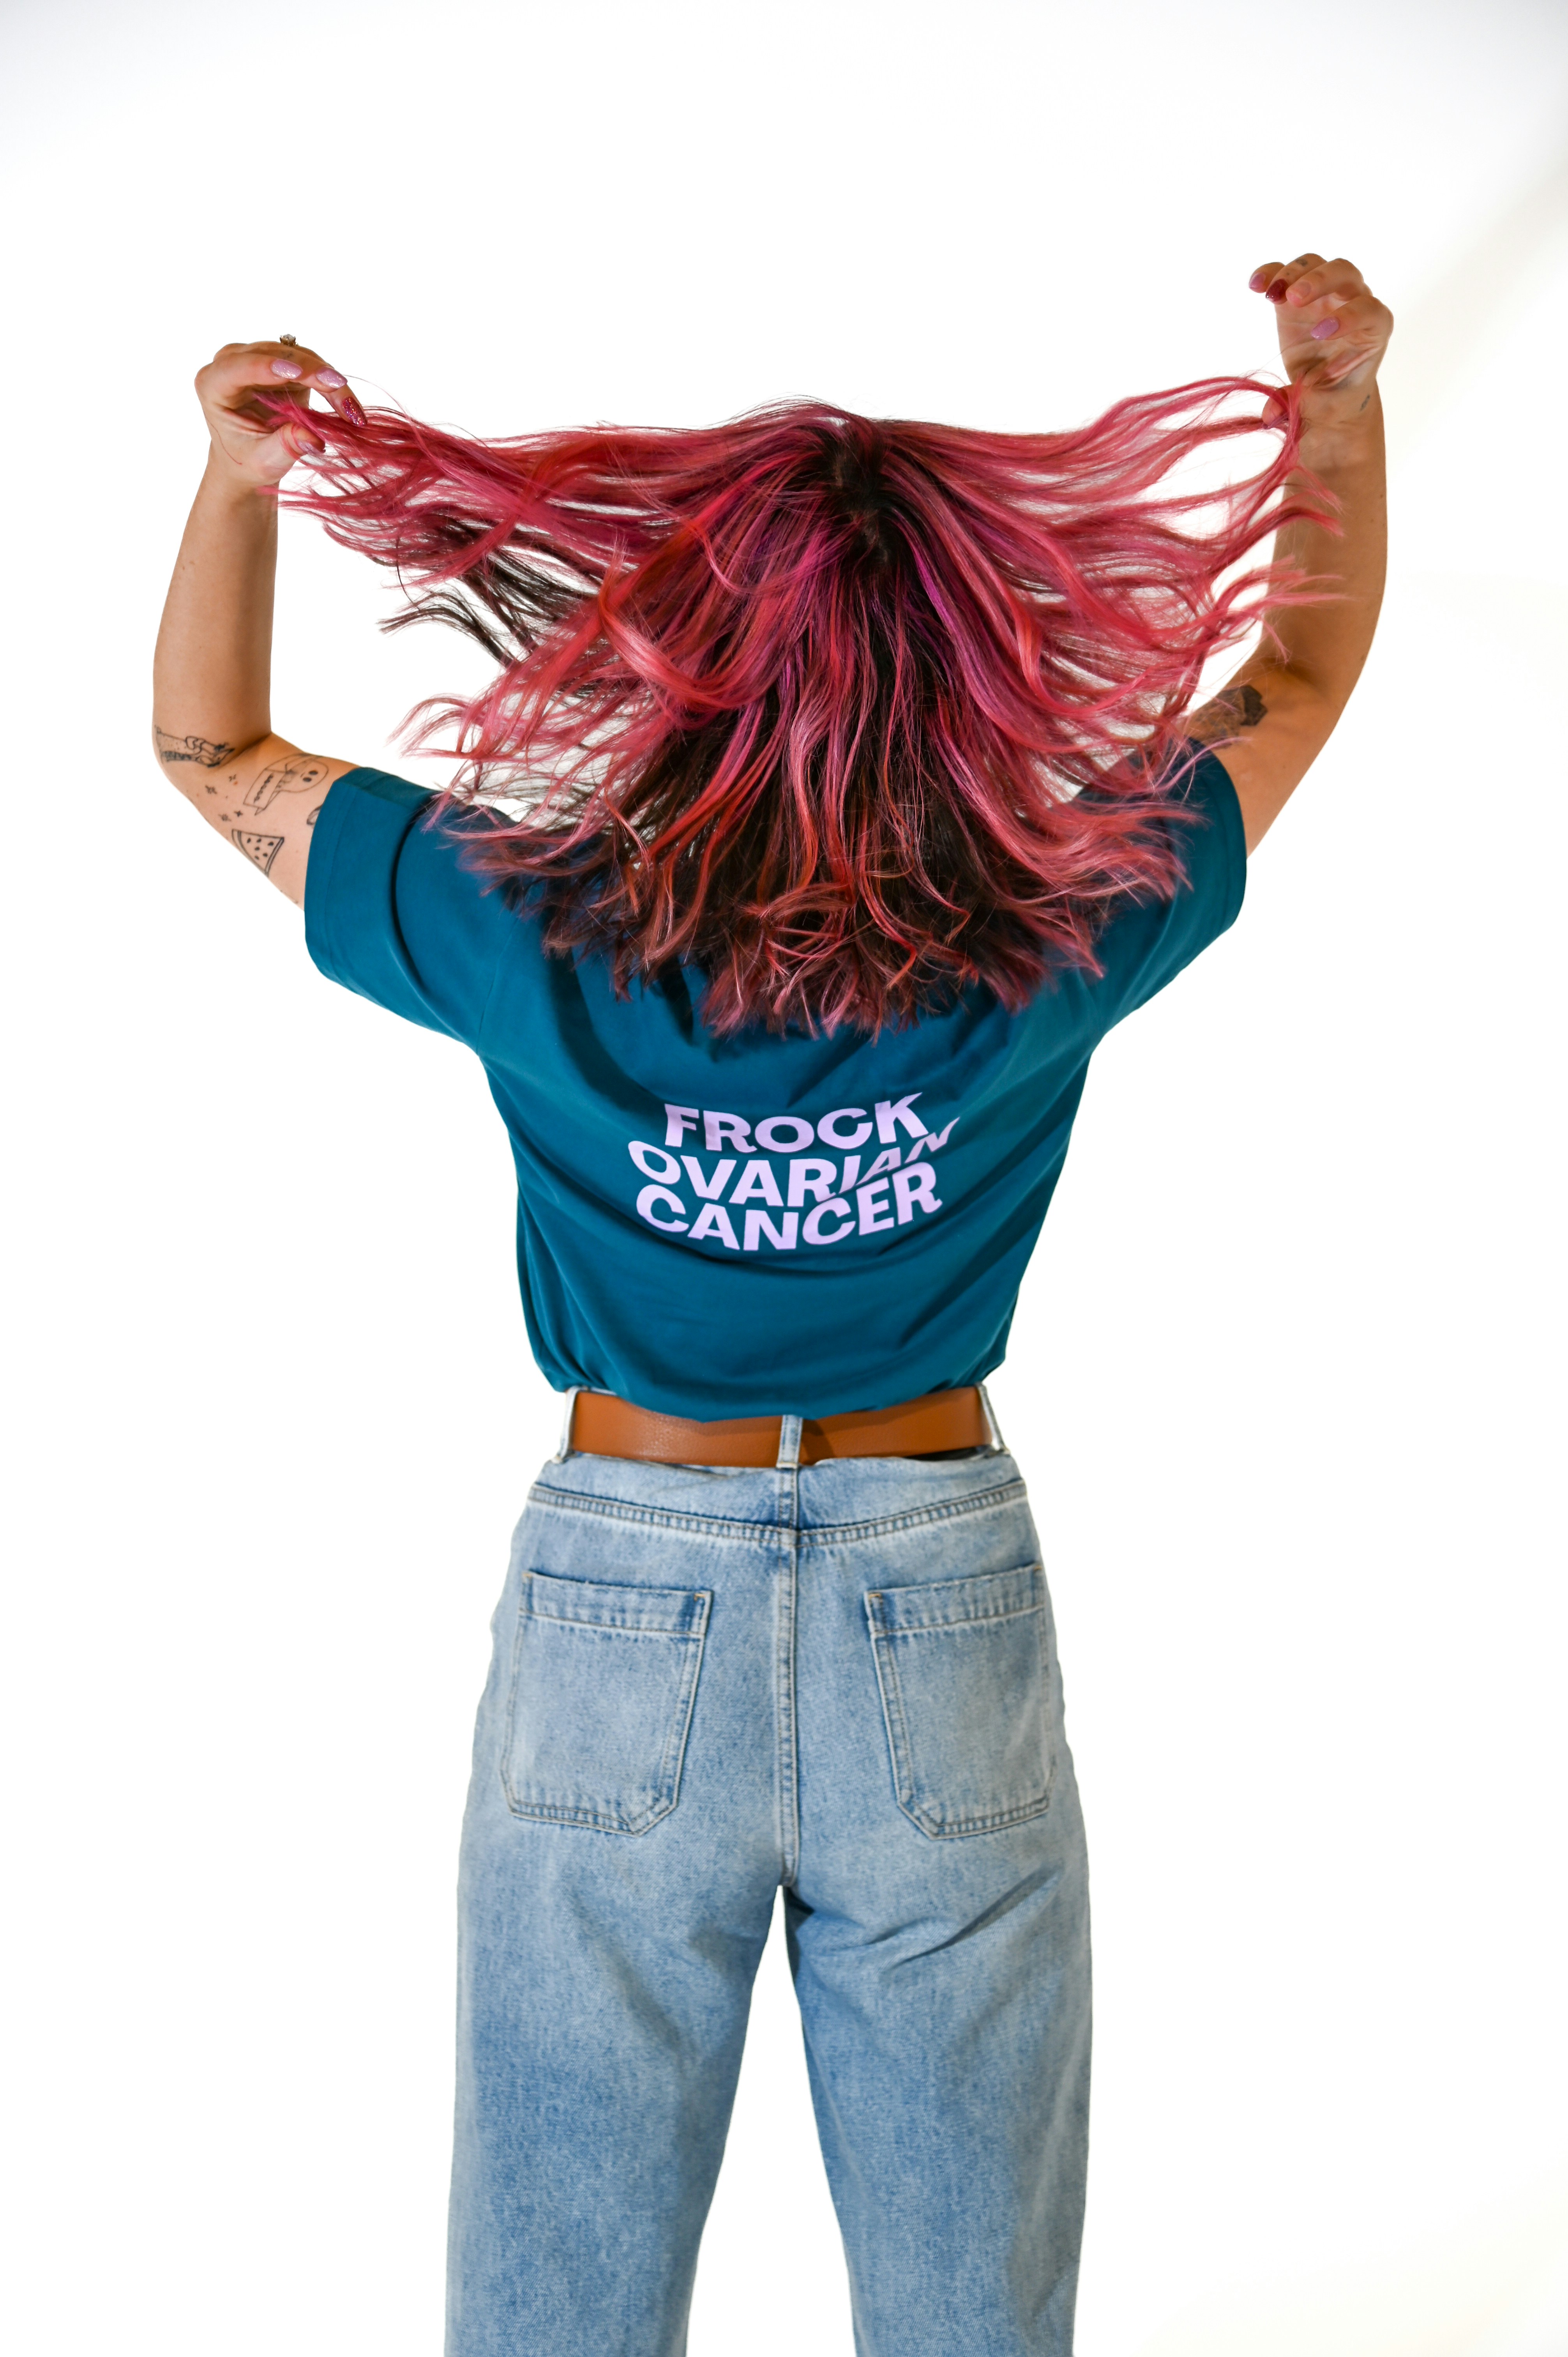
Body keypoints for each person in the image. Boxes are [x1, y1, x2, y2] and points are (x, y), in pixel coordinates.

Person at [152, 254, 1391, 2357]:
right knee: (973, 2298)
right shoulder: (1050, 923)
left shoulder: (527, 921)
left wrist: (240, 476)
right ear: (960, 676)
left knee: (556, 2283)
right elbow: (1297, 676)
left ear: (675, 670)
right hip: (940, 1588)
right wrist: (1332, 397)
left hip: (621, 1594)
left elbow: (208, 750)